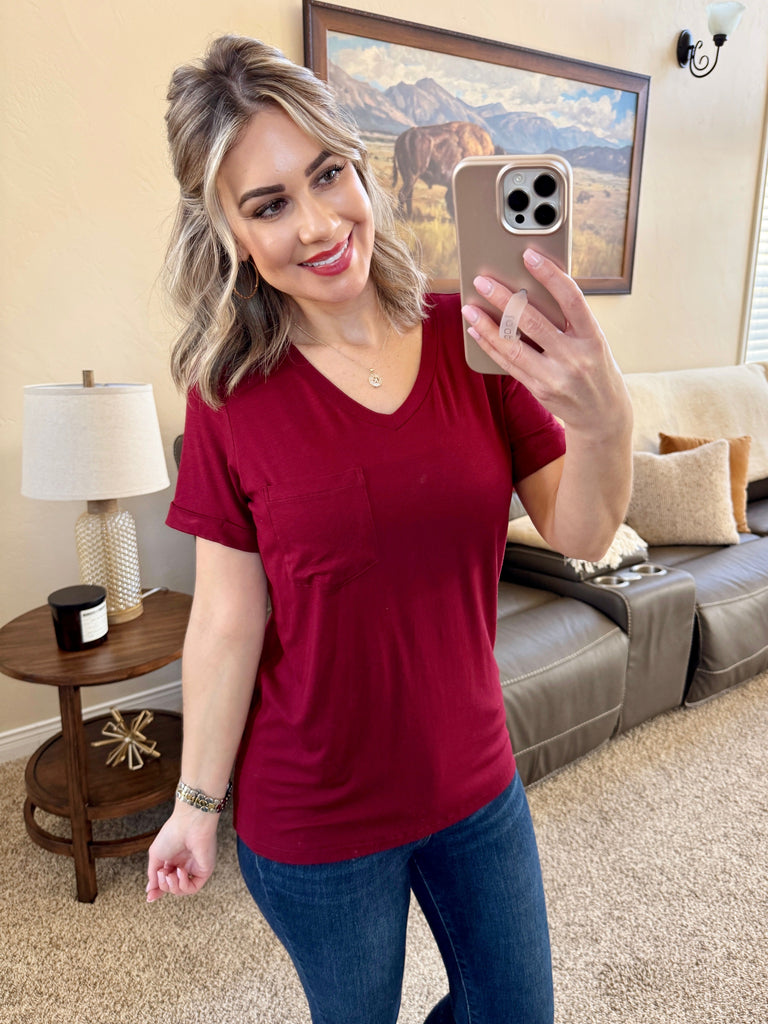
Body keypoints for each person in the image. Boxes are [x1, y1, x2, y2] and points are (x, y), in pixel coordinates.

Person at [146, 34, 633, 1024]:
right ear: (229, 230)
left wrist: (603, 419)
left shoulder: (476, 339)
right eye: (269, 204)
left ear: (363, 169)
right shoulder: (229, 394)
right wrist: (195, 806)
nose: (320, 224)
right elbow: (228, 621)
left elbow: (582, 532)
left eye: (329, 174)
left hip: (476, 781)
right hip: (314, 817)